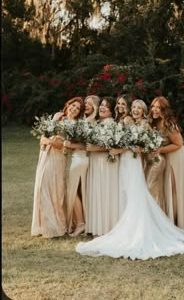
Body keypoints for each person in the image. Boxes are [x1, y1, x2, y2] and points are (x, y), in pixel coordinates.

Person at [75, 97, 184, 260]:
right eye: (133, 107)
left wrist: (128, 150)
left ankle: (148, 229)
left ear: (143, 111)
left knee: (142, 193)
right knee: (133, 193)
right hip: (133, 162)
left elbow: (144, 146)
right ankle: (132, 226)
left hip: (145, 161)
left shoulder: (145, 124)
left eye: (138, 108)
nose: (135, 110)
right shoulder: (134, 122)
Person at [31, 97, 82, 238]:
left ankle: (55, 226)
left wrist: (51, 142)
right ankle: (43, 225)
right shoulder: (57, 116)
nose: (74, 109)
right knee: (41, 187)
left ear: (79, 113)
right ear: (68, 105)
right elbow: (42, 138)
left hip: (58, 159)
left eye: (77, 108)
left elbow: (62, 146)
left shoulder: (75, 125)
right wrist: (48, 140)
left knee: (54, 189)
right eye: (73, 105)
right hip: (45, 156)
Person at [146, 96, 184, 232]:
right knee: (165, 188)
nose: (154, 110)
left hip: (175, 156)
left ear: (164, 110)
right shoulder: (152, 122)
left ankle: (176, 223)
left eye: (158, 108)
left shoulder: (169, 125)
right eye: (153, 106)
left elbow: (178, 144)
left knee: (173, 188)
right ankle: (167, 220)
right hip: (164, 155)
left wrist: (160, 149)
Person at [63, 95, 100, 237]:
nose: (86, 105)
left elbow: (86, 146)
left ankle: (80, 224)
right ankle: (79, 222)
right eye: (85, 103)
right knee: (77, 191)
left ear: (95, 107)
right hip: (77, 159)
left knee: (74, 191)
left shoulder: (90, 122)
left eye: (89, 104)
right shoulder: (84, 120)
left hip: (80, 159)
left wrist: (70, 144)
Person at [85, 96, 120, 236]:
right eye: (102, 105)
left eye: (106, 106)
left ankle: (107, 226)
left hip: (105, 163)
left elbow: (112, 145)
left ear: (111, 112)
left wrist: (95, 149)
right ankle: (97, 226)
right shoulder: (99, 123)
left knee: (105, 192)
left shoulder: (111, 124)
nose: (102, 107)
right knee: (97, 191)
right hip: (96, 161)